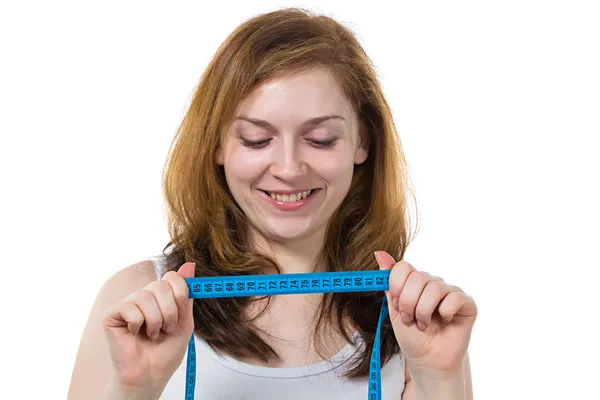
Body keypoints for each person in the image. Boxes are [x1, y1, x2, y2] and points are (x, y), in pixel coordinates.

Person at [68, 7, 477, 400]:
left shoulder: (415, 315)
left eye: (320, 139)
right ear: (217, 145)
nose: (288, 168)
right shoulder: (135, 302)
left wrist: (438, 382)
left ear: (363, 142)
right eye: (256, 139)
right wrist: (134, 391)